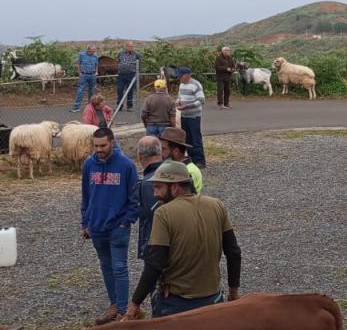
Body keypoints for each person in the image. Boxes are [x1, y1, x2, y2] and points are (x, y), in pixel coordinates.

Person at [123, 161, 241, 319]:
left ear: (175, 187)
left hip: (176, 305)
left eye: (158, 187)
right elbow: (233, 252)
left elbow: (155, 264)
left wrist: (135, 303)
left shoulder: (163, 213)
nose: (154, 194)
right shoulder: (217, 206)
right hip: (213, 301)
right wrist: (233, 291)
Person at [80, 127, 139, 325]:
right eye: (95, 146)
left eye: (103, 145)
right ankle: (114, 305)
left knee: (119, 267)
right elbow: (86, 196)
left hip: (118, 227)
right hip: (96, 227)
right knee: (106, 266)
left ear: (112, 142)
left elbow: (134, 198)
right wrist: (85, 222)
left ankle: (123, 311)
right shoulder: (88, 165)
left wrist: (126, 221)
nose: (99, 149)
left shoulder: (127, 166)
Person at [134, 136, 164, 260]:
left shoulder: (146, 183)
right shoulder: (179, 173)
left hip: (156, 243)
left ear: (140, 156)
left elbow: (146, 214)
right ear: (161, 152)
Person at [175, 68, 206, 168]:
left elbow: (201, 100)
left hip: (194, 116)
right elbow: (180, 96)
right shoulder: (181, 85)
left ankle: (200, 161)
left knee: (195, 138)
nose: (179, 78)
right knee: (187, 138)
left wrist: (187, 106)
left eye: (181, 76)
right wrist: (178, 101)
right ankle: (191, 159)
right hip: (184, 115)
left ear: (187, 75)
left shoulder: (195, 85)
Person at [159, 127, 204, 193]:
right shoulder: (173, 167)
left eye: (163, 149)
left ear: (176, 151)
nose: (160, 152)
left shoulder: (189, 171)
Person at [71, 44, 99, 113]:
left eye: (95, 50)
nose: (94, 51)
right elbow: (78, 63)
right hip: (84, 75)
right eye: (93, 50)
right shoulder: (82, 55)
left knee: (92, 91)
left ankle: (91, 107)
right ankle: (76, 107)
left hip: (92, 75)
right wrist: (79, 72)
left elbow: (96, 64)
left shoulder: (95, 56)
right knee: (80, 91)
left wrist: (96, 72)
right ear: (88, 49)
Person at [116, 41, 141, 112]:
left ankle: (129, 107)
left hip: (131, 75)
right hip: (121, 75)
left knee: (130, 91)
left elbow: (139, 65)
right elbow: (118, 62)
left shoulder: (136, 55)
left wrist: (137, 74)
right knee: (119, 90)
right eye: (130, 46)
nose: (131, 48)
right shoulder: (120, 54)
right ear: (126, 47)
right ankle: (119, 106)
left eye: (132, 47)